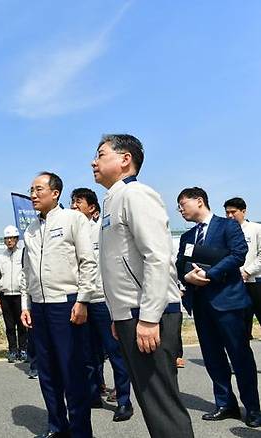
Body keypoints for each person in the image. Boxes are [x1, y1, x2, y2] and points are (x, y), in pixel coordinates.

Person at [92, 134, 194, 437]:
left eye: (100, 154)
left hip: (149, 315)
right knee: (152, 402)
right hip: (130, 314)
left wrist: (149, 317)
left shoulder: (136, 194)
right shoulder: (114, 199)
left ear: (125, 159)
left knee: (161, 404)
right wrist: (117, 314)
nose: (93, 162)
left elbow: (158, 257)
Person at [20, 172, 98, 438]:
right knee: (47, 371)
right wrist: (26, 304)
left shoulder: (73, 219)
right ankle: (57, 426)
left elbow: (88, 262)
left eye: (38, 189)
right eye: (31, 189)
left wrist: (83, 300)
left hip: (66, 305)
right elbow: (27, 272)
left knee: (71, 370)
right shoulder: (30, 230)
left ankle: (80, 432)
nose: (33, 194)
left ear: (55, 193)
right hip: (39, 306)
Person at [177, 187, 260, 427]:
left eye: (183, 204)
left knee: (240, 356)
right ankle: (225, 404)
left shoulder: (227, 226)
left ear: (199, 201)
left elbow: (238, 254)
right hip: (202, 306)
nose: (180, 210)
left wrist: (210, 274)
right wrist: (187, 277)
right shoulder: (187, 237)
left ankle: (252, 408)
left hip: (229, 302)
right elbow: (180, 264)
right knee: (213, 358)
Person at [70, 187, 133, 422]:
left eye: (79, 202)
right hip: (81, 302)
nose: (74, 205)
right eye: (72, 202)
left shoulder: (101, 231)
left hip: (103, 302)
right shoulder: (71, 231)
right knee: (87, 354)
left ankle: (124, 401)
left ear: (92, 208)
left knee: (115, 352)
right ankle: (94, 393)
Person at [224, 197, 261, 338]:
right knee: (241, 325)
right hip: (235, 283)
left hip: (255, 281)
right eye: (227, 212)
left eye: (233, 212)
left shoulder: (256, 229)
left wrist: (247, 271)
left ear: (243, 211)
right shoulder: (226, 231)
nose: (229, 216)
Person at [0, 225, 27, 363]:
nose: (9, 241)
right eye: (7, 238)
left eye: (12, 238)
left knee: (22, 324)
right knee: (9, 325)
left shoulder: (23, 254)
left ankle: (24, 349)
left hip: (20, 294)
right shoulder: (1, 257)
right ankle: (12, 350)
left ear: (17, 239)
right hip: (5, 295)